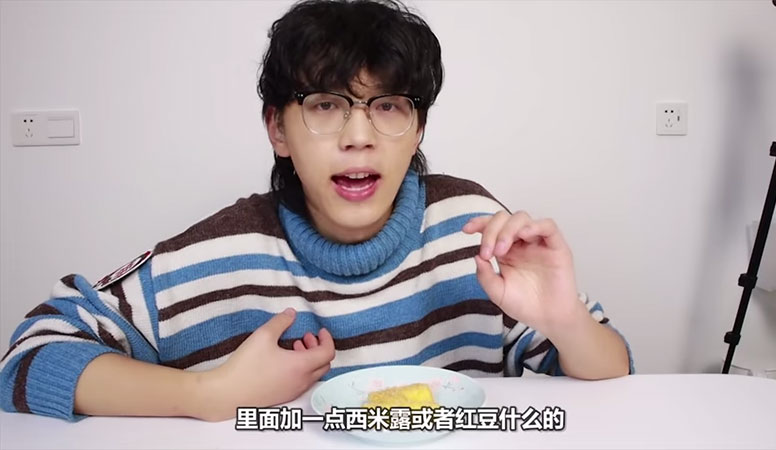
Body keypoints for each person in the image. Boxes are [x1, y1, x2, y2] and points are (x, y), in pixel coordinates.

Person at [0, 0, 633, 423]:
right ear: (278, 128)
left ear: (417, 128)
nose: (359, 136)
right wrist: (209, 393)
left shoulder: (471, 227)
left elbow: (612, 374)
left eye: (388, 106)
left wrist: (564, 321)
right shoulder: (214, 256)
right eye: (326, 105)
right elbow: (27, 359)